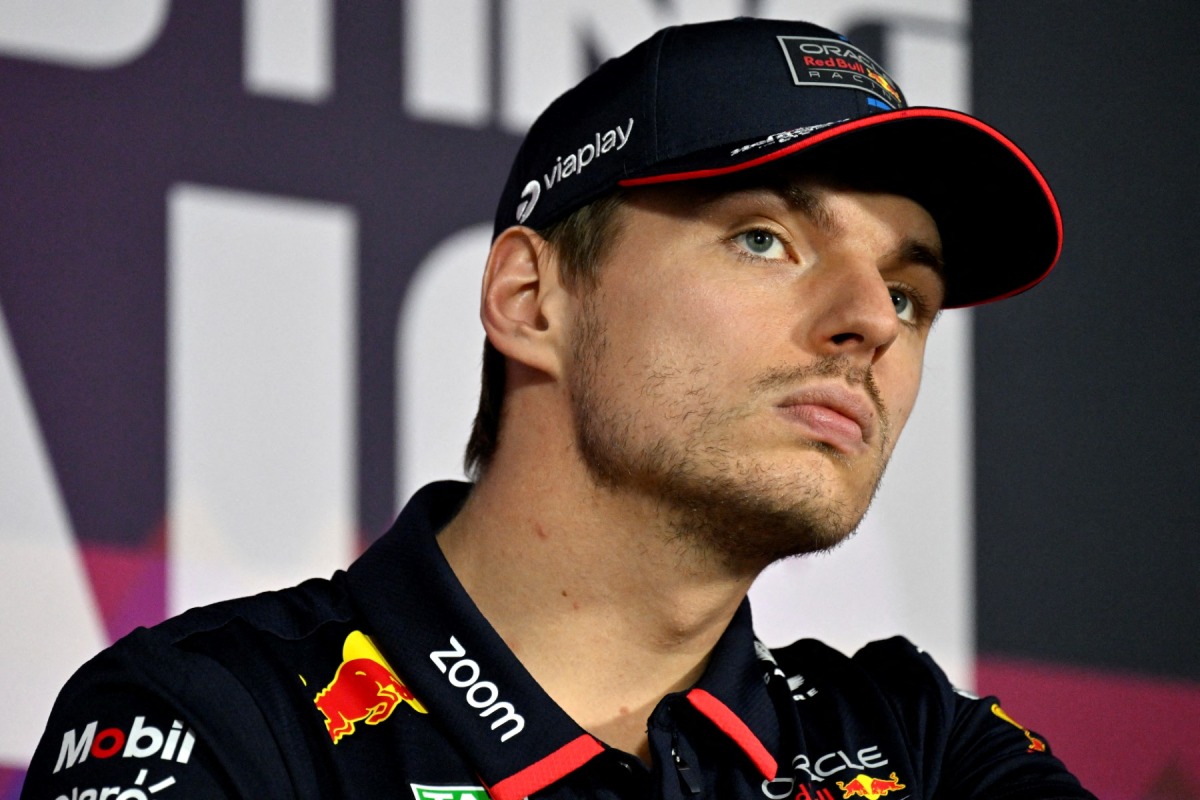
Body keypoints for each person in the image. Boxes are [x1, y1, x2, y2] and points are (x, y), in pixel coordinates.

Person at [22, 17, 1093, 800]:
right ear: (533, 300)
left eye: (910, 292)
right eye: (764, 237)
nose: (871, 321)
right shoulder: (211, 724)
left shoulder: (917, 746)